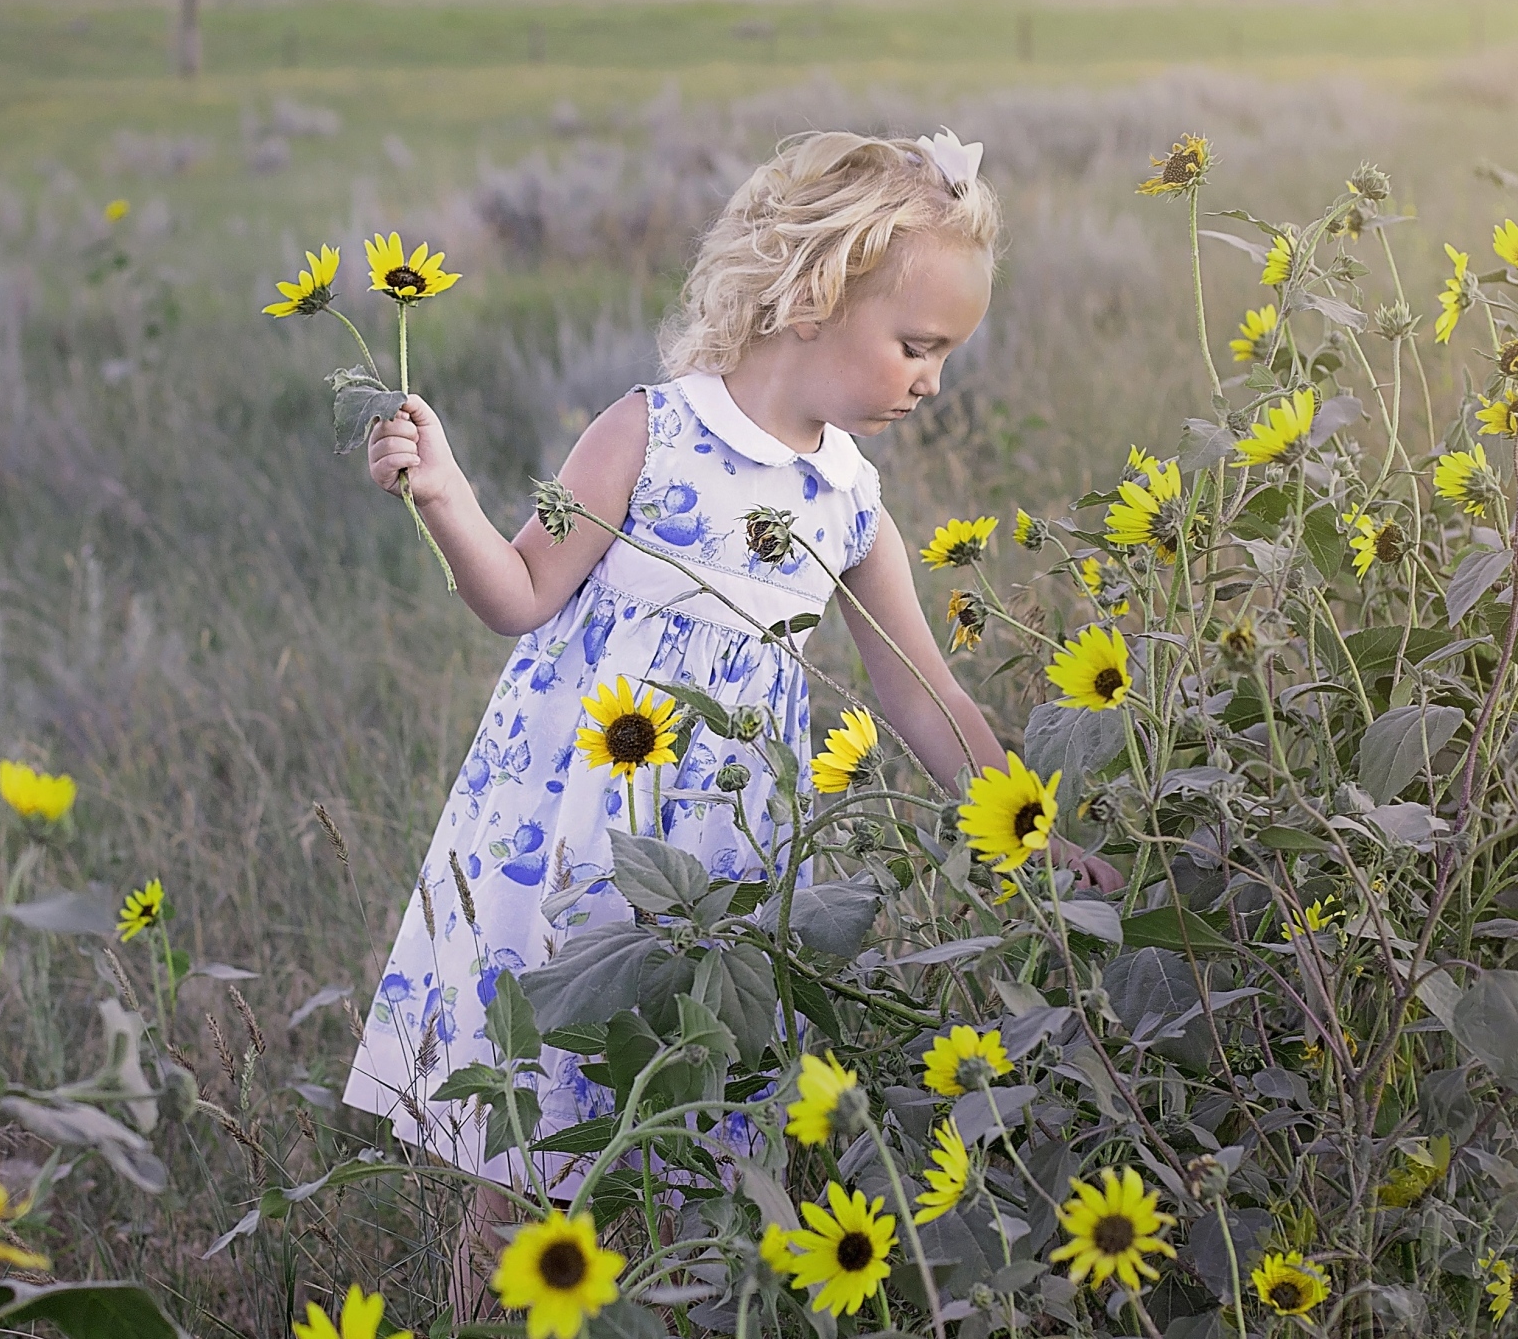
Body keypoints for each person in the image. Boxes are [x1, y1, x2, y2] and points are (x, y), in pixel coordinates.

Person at [339, 129, 1042, 1310]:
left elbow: (921, 688)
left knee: (688, 1137)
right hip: (578, 845)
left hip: (723, 873)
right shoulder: (651, 432)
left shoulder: (848, 502)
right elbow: (518, 594)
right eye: (917, 347)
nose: (932, 380)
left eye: (944, 354)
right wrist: (447, 492)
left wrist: (1024, 824)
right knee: (540, 1139)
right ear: (813, 296)